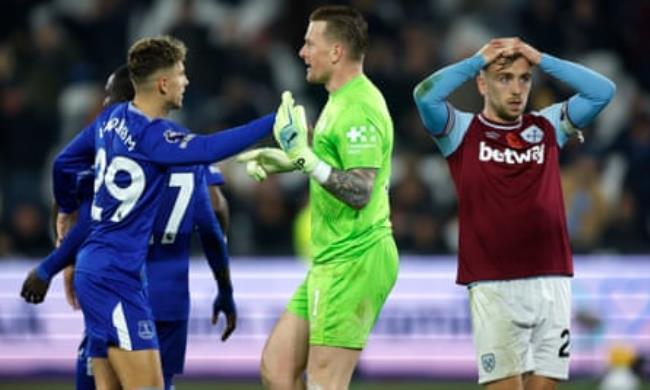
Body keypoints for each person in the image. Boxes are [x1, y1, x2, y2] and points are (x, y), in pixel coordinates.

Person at [47, 35, 284, 389]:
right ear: (162, 83)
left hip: (112, 278)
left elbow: (65, 167)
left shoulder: (111, 126)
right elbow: (213, 212)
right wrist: (274, 122)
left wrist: (65, 225)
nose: (186, 81)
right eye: (181, 73)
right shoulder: (169, 143)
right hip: (146, 288)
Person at [413, 37, 615, 389]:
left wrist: (541, 58)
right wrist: (476, 60)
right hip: (494, 283)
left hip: (552, 278)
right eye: (504, 78)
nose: (516, 88)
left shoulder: (548, 126)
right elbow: (424, 95)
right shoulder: (461, 131)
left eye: (524, 78)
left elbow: (602, 92)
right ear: (482, 82)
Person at [21, 64, 237, 390]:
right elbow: (216, 209)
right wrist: (224, 285)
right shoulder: (186, 146)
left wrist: (58, 264)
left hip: (122, 286)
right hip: (172, 297)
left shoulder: (116, 149)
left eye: (111, 95)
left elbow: (80, 210)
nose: (106, 103)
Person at [237, 6, 398, 389]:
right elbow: (335, 165)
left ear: (337, 51)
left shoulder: (358, 107)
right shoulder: (339, 101)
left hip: (354, 257)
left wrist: (306, 160)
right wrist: (288, 162)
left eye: (310, 43)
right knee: (277, 368)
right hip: (332, 259)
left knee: (325, 383)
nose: (302, 52)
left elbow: (360, 191)